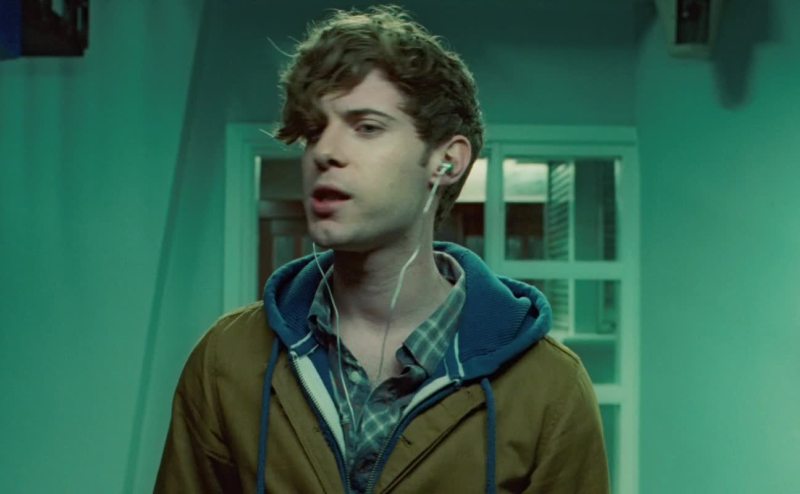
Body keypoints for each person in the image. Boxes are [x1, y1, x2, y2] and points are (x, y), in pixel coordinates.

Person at [155, 5, 609, 493]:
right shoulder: (227, 361)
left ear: (446, 161)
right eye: (314, 131)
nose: (325, 152)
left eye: (366, 127)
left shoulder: (549, 389)